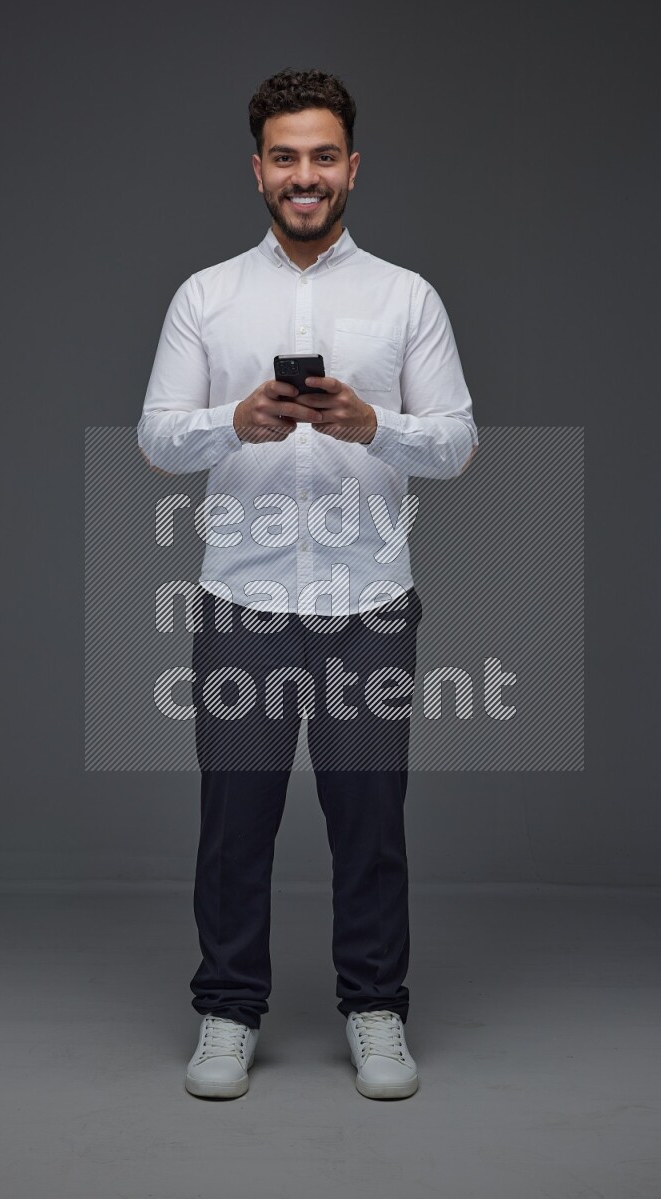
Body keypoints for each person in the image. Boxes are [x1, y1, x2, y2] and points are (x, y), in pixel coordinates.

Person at [137, 67, 478, 1101]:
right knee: (234, 814)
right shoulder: (207, 294)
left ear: (351, 167)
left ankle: (374, 1007)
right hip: (242, 600)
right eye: (284, 156)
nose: (304, 174)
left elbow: (458, 441)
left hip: (367, 602)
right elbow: (157, 434)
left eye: (322, 155)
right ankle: (226, 1009)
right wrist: (227, 424)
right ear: (257, 171)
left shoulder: (404, 296)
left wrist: (374, 425)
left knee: (366, 814)